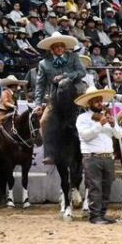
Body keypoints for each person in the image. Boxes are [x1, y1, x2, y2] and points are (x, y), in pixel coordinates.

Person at [75, 87, 122, 224]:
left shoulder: (108, 117)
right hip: (92, 156)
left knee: (106, 186)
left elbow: (120, 135)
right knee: (95, 186)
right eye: (96, 101)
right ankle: (94, 215)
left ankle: (102, 214)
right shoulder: (82, 118)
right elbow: (85, 136)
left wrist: (113, 124)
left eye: (100, 100)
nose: (99, 103)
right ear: (89, 103)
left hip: (108, 156)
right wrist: (99, 125)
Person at [35, 34, 87, 162]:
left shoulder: (74, 57)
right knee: (44, 121)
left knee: (93, 114)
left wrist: (66, 76)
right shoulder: (43, 63)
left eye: (61, 46)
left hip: (74, 94)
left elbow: (82, 72)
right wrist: (38, 103)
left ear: (64, 48)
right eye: (56, 46)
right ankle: (49, 154)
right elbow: (40, 85)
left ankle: (92, 150)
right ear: (51, 49)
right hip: (54, 98)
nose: (59, 48)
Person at [0, 75, 26, 148]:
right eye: (16, 85)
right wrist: (12, 105)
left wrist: (16, 108)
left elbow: (15, 102)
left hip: (12, 112)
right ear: (12, 86)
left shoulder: (14, 94)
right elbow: (5, 102)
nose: (17, 87)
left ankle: (23, 142)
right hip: (3, 113)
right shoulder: (5, 92)